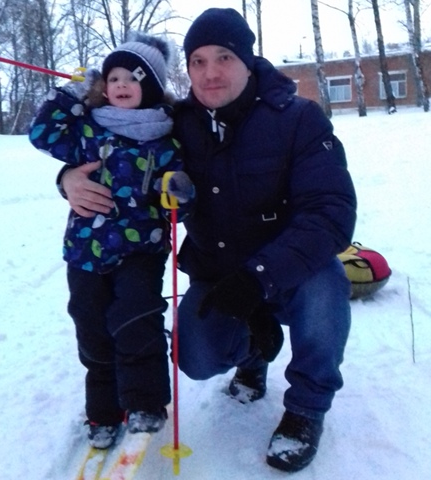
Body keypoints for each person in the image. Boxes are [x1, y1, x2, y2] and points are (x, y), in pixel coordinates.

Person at [56, 8, 357, 472]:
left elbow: (331, 212)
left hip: (291, 272)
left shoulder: (299, 118)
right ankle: (253, 353)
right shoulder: (176, 122)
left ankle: (306, 408)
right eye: (198, 61)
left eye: (223, 58)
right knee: (194, 356)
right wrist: (67, 178)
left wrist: (259, 278)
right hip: (220, 273)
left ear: (247, 60)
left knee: (325, 291)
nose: (210, 72)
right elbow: (113, 141)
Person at [28, 33, 194, 449]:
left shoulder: (166, 137)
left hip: (141, 249)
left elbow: (181, 188)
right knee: (91, 325)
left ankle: (145, 403)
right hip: (85, 249)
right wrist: (72, 92)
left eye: (132, 78)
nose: (120, 84)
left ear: (151, 87)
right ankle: (102, 411)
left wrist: (177, 189)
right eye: (113, 77)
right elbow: (42, 134)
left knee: (136, 318)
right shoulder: (88, 126)